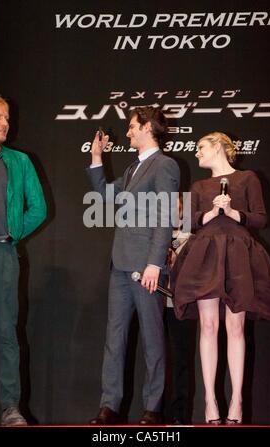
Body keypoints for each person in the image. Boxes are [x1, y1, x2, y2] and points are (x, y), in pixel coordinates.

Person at [171, 132, 270, 425]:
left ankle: (237, 400)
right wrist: (209, 214)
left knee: (235, 326)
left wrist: (232, 212)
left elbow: (260, 218)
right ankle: (210, 400)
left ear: (218, 146)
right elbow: (187, 222)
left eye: (201, 148)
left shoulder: (247, 178)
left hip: (238, 254)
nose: (197, 154)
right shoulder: (199, 186)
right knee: (208, 325)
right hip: (205, 254)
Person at [87, 106, 180, 425]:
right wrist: (97, 158)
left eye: (131, 127)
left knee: (153, 337)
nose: (127, 132)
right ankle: (109, 406)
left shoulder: (164, 165)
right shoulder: (132, 169)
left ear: (147, 128)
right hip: (121, 265)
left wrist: (155, 263)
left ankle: (153, 408)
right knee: (115, 337)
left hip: (146, 267)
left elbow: (166, 216)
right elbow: (102, 195)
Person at [0, 92, 46, 426]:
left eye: (7, 117)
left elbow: (39, 208)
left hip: (2, 254)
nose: (5, 122)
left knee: (6, 332)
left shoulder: (19, 162)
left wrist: (12, 231)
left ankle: (10, 408)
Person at [165, 194, 192, 425]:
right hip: (154, 305)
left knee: (180, 360)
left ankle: (179, 416)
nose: (172, 212)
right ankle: (152, 412)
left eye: (177, 207)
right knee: (155, 358)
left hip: (179, 307)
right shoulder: (152, 237)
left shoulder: (192, 239)